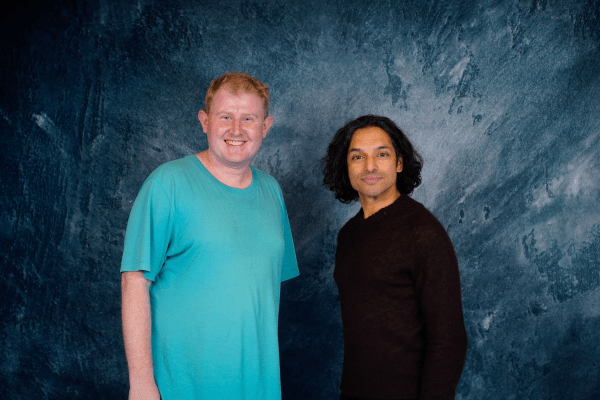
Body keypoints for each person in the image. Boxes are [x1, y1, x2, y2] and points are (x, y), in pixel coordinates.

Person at [121, 72, 299, 400]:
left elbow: (258, 289)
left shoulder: (272, 191)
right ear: (205, 121)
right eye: (225, 117)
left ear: (266, 126)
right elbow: (134, 282)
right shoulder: (167, 184)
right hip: (183, 388)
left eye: (249, 119)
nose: (236, 130)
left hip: (259, 388)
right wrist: (141, 383)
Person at [322, 115, 468, 400]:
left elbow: (448, 339)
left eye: (382, 154)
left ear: (399, 163)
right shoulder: (348, 235)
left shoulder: (424, 233)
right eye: (357, 157)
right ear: (346, 166)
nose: (370, 166)